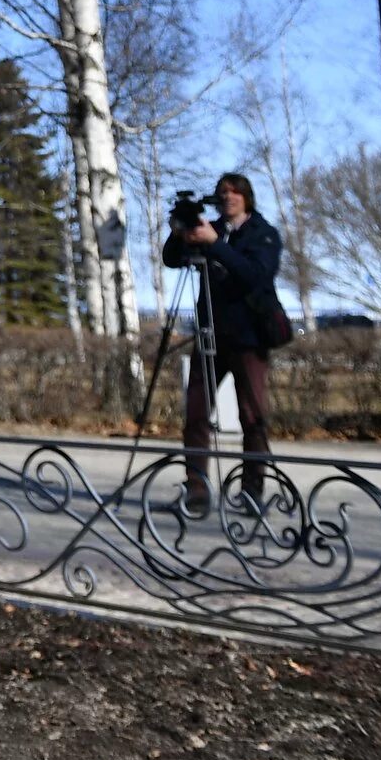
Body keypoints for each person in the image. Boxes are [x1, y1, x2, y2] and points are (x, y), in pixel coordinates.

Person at [160, 173, 284, 515]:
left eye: (235, 193)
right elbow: (172, 260)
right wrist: (179, 230)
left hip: (249, 338)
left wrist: (215, 244)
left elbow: (255, 275)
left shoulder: (263, 234)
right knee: (196, 415)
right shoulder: (208, 228)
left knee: (252, 417)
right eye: (222, 193)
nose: (228, 198)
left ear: (246, 197)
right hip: (209, 335)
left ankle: (251, 492)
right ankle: (196, 490)